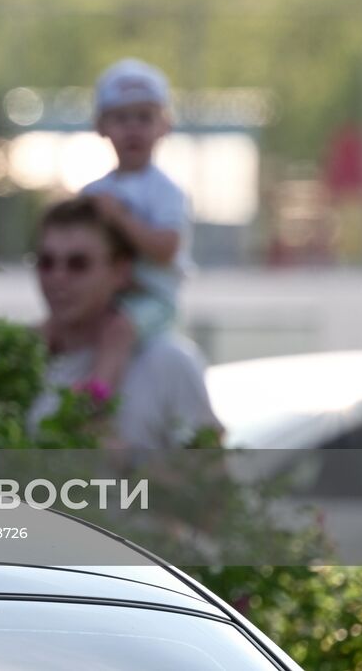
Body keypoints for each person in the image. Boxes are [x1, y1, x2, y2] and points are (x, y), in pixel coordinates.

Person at [28, 197, 220, 452]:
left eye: (78, 264)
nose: (58, 277)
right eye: (46, 263)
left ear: (120, 271)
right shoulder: (18, 361)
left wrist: (130, 464)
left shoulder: (169, 363)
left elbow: (216, 480)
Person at [75, 58, 192, 398]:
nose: (133, 128)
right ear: (101, 126)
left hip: (153, 300)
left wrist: (120, 219)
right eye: (121, 118)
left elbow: (167, 248)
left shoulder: (167, 192)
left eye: (144, 117)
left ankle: (95, 397)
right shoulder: (93, 192)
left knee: (118, 329)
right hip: (104, 298)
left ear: (164, 125)